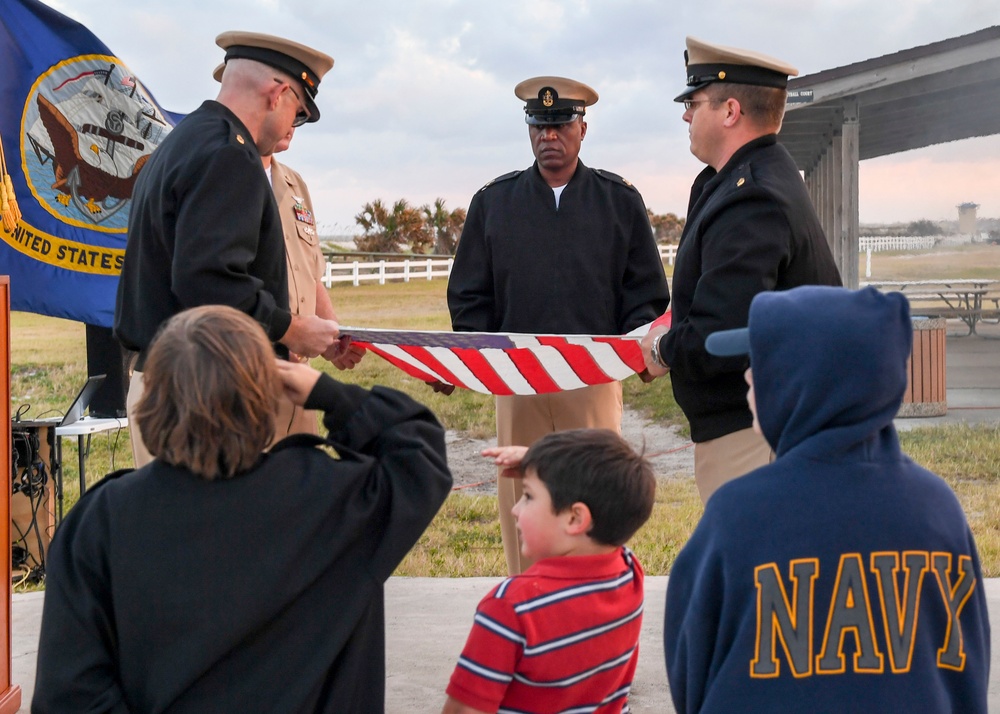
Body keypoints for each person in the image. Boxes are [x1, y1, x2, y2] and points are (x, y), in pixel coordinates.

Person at [34, 305, 452, 713]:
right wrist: (325, 391)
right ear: (266, 397)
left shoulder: (100, 522)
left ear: (151, 401)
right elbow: (417, 447)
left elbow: (69, 694)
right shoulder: (335, 500)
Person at [663, 286, 990, 714]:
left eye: (761, 363)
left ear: (806, 381)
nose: (746, 374)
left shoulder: (736, 515)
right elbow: (968, 673)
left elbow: (690, 665)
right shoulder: (936, 508)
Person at [447, 75, 670, 574]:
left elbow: (645, 294)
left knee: (592, 496)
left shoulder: (619, 202)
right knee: (521, 497)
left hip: (590, 379)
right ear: (529, 129)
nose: (550, 135)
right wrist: (484, 359)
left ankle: (592, 599)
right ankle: (524, 599)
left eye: (561, 124)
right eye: (539, 124)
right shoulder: (494, 203)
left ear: (582, 128)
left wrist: (631, 346)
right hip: (518, 380)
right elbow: (468, 295)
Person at [115, 31, 342, 466]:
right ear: (279, 94)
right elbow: (209, 280)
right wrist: (291, 329)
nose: (292, 127)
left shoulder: (183, 144)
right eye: (298, 113)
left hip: (170, 383)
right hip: (202, 393)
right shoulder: (228, 154)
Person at [640, 37, 841, 504]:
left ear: (730, 111)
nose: (686, 115)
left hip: (757, 432)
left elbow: (723, 334)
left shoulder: (753, 197)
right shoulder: (731, 181)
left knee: (755, 571)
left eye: (693, 102)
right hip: (750, 423)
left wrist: (663, 350)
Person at [442, 428, 655, 714]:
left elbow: (464, 710)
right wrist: (543, 464)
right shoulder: (628, 572)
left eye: (528, 496)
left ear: (575, 517)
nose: (515, 510)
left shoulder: (510, 606)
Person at [263, 125, 367, 436]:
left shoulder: (293, 184)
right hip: (246, 376)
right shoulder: (222, 176)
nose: (293, 123)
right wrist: (290, 332)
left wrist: (333, 337)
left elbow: (311, 272)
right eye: (290, 103)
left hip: (298, 381)